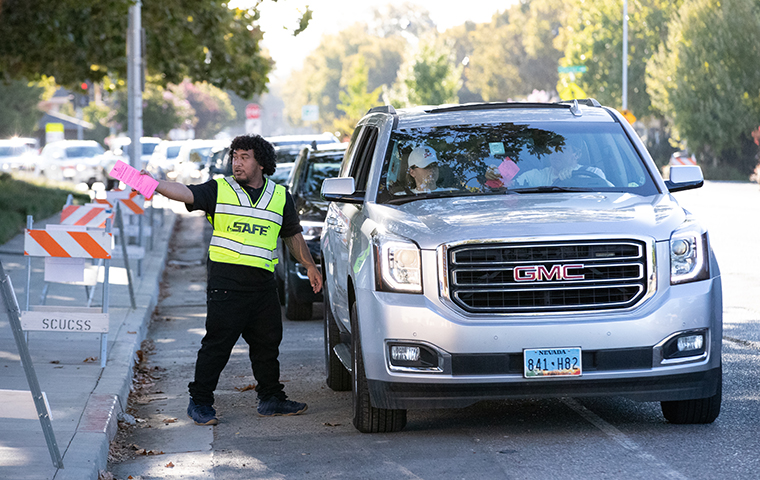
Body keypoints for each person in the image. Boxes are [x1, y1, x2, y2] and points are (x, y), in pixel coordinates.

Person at [140, 134, 322, 426]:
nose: (236, 163)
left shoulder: (279, 196)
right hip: (227, 284)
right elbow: (186, 192)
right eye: (234, 157)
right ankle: (200, 402)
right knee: (218, 345)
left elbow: (291, 233)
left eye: (244, 157)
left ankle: (271, 398)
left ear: (261, 162)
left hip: (263, 285)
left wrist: (310, 265)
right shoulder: (220, 189)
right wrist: (154, 184)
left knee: (267, 345)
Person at [515, 137, 612, 187]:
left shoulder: (593, 174)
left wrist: (577, 180)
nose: (555, 152)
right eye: (552, 147)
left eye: (562, 149)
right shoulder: (536, 177)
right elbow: (509, 187)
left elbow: (610, 194)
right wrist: (500, 176)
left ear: (577, 154)